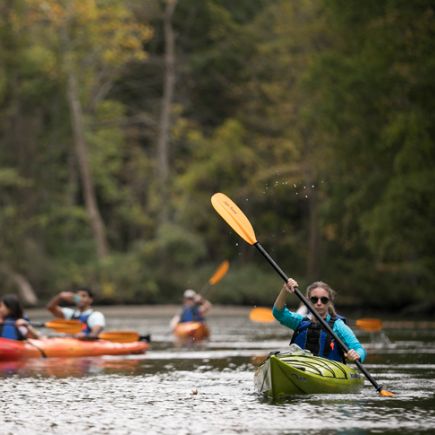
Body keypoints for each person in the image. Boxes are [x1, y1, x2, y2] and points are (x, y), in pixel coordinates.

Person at [273, 279, 366, 363]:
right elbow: (278, 313)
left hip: (329, 371)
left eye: (324, 300)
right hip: (301, 367)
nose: (319, 303)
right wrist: (285, 290)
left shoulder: (338, 326)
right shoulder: (300, 322)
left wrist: (356, 355)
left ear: (329, 301)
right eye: (314, 299)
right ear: (308, 301)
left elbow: (360, 349)